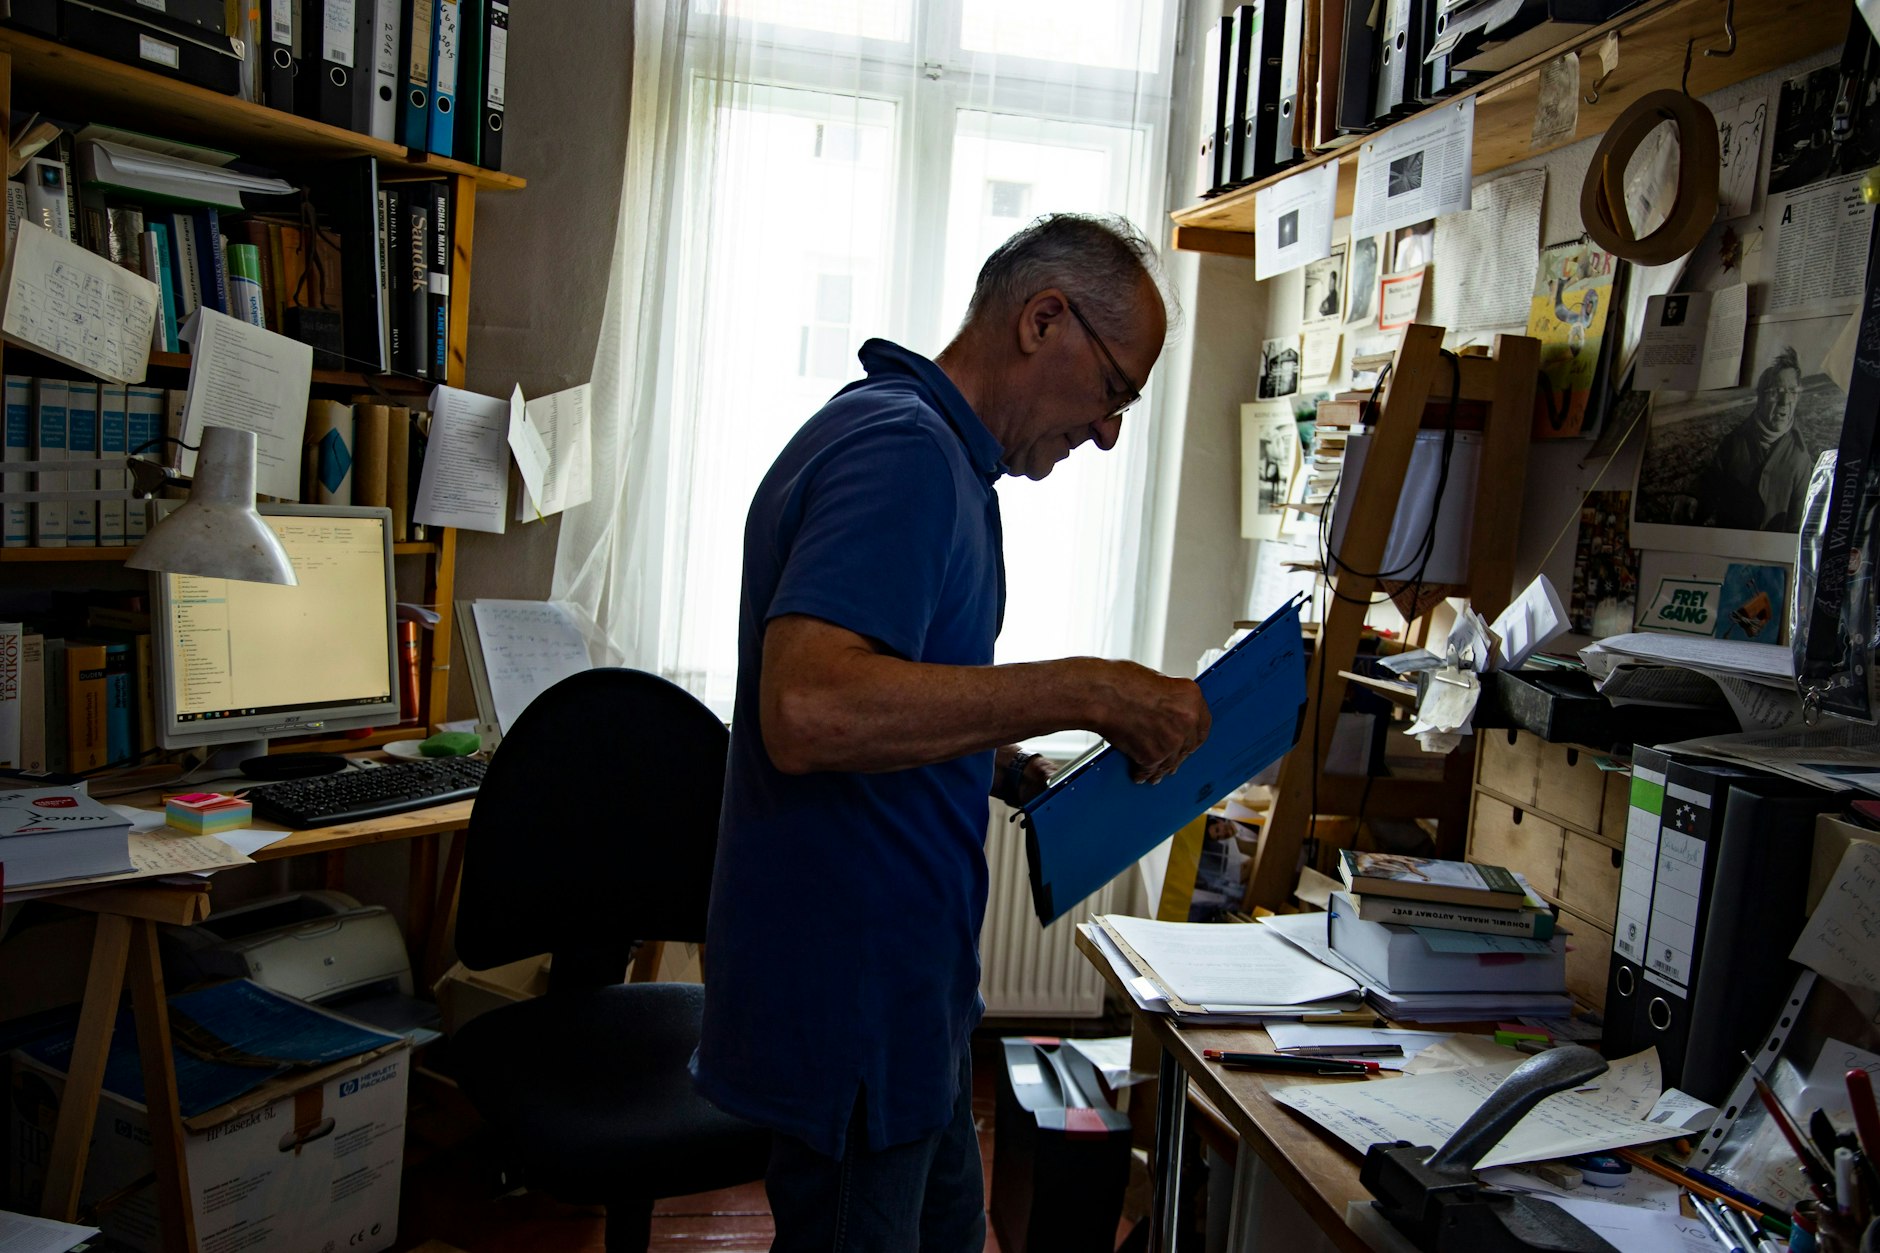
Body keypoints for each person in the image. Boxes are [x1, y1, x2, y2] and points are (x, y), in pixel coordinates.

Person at [693, 213, 1213, 1251]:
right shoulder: (905, 455)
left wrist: (1010, 768)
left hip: (907, 998)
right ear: (1043, 320)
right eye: (1115, 388)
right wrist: (1088, 686)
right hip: (857, 1002)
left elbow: (893, 695)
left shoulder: (933, 456)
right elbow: (809, 709)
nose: (1109, 429)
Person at [1694, 347, 1814, 532]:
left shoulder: (1800, 458)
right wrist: (1693, 498)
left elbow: (1798, 524)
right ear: (1760, 397)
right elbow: (1709, 489)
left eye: (1792, 391)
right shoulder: (1733, 443)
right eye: (1776, 391)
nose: (1785, 401)